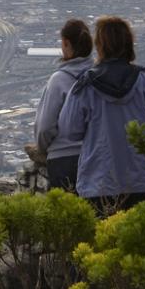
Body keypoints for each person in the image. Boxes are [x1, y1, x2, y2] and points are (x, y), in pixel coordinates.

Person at [58, 16, 145, 208]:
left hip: (99, 184)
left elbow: (69, 130)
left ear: (100, 46)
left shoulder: (85, 86)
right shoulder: (144, 82)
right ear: (128, 44)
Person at [31, 19, 93, 190]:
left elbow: (44, 127)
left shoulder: (59, 80)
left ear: (66, 43)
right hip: (97, 156)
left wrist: (44, 148)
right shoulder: (99, 76)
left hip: (64, 159)